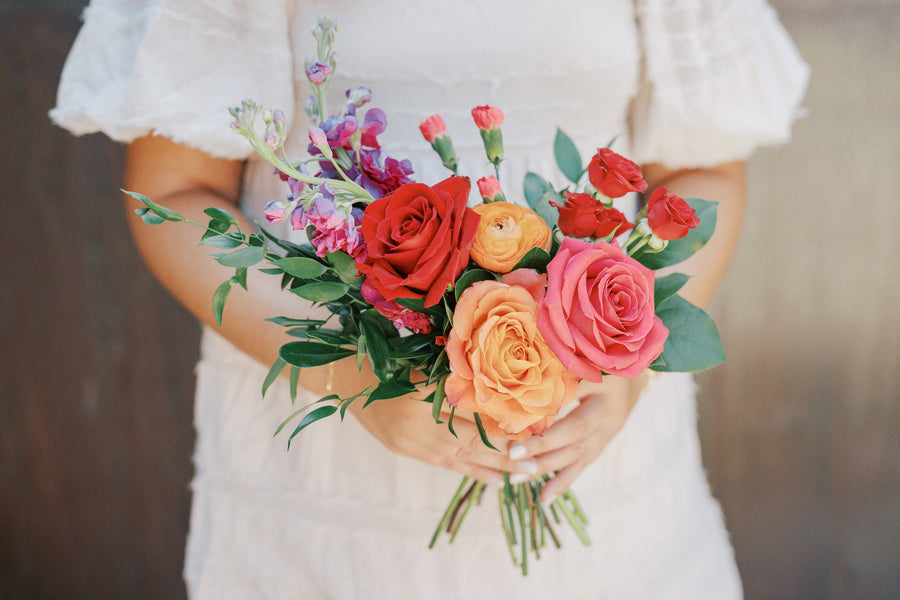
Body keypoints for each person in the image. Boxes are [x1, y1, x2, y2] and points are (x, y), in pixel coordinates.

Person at [52, 0, 808, 597]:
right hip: (326, 467)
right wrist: (351, 376)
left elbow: (703, 173)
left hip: (602, 464)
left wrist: (623, 370)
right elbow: (175, 192)